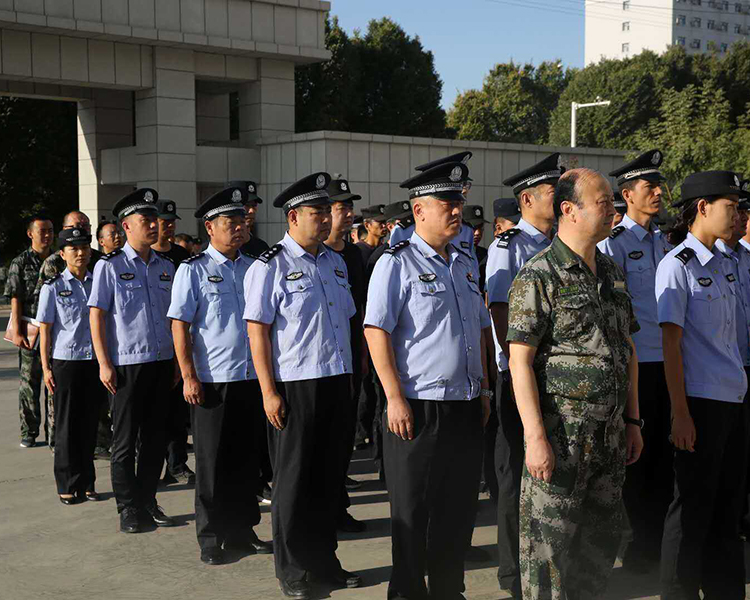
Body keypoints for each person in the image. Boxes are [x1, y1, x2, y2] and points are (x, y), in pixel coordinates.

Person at [507, 168, 642, 600]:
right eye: (603, 202)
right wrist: (534, 437)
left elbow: (626, 349)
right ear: (569, 210)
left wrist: (634, 420)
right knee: (548, 558)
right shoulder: (539, 275)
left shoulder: (611, 271)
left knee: (598, 550)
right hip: (562, 436)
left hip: (610, 436)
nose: (613, 209)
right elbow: (520, 362)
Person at [365, 160, 492, 600]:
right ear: (419, 210)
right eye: (446, 203)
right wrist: (393, 397)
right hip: (417, 407)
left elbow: (478, 329)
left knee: (457, 511)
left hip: (465, 401)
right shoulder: (395, 263)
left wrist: (486, 388)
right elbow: (375, 330)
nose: (457, 211)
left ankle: (447, 590)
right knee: (412, 513)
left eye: (459, 201)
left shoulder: (465, 263)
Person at [244, 172, 360, 599]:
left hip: (335, 380)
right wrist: (268, 391)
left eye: (328, 211)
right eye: (317, 213)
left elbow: (345, 321)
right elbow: (257, 332)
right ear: (293, 217)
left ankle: (324, 562)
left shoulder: (334, 261)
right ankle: (293, 570)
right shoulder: (271, 265)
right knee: (293, 483)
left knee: (329, 479)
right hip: (295, 385)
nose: (327, 219)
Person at [169, 186, 273, 565]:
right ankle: (211, 535)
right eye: (231, 222)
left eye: (242, 221)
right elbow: (180, 325)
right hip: (213, 380)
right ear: (210, 228)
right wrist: (188, 376)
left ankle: (243, 530)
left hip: (251, 377)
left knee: (246, 460)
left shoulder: (255, 267)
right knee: (212, 463)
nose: (240, 228)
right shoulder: (193, 270)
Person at [656, 171, 748, 599]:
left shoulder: (729, 264)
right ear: (703, 207)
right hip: (699, 404)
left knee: (728, 508)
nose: (738, 216)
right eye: (730, 207)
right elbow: (671, 349)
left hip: (733, 399)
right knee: (692, 508)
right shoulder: (677, 266)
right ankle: (677, 591)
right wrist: (680, 414)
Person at [485, 152, 562, 599]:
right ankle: (513, 575)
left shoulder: (558, 243)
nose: (560, 197)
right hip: (519, 376)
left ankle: (547, 562)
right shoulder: (508, 245)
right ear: (528, 198)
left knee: (549, 474)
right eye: (553, 191)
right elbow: (499, 311)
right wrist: (520, 366)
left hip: (553, 376)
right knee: (515, 474)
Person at [597, 149, 674, 571]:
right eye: (650, 187)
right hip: (637, 365)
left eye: (659, 186)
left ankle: (658, 540)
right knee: (637, 459)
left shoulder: (664, 242)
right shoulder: (615, 244)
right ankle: (640, 545)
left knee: (665, 456)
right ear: (628, 194)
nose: (659, 193)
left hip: (669, 364)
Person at [88, 188, 177, 534]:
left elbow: (173, 319)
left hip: (160, 362)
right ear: (127, 226)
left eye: (155, 220)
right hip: (126, 365)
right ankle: (127, 507)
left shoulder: (166, 267)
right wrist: (104, 363)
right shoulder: (109, 268)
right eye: (146, 221)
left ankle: (147, 499)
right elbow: (97, 316)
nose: (154, 226)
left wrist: (174, 363)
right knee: (124, 441)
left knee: (156, 439)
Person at [37, 228, 101, 505]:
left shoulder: (97, 282)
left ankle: (87, 482)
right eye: (73, 248)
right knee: (66, 426)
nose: (80, 253)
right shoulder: (53, 287)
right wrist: (46, 367)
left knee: (90, 425)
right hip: (66, 363)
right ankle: (67, 482)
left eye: (84, 247)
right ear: (62, 254)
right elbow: (45, 331)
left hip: (93, 361)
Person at [323, 177, 368, 532]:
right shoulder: (317, 257)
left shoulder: (353, 255)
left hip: (350, 356)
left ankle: (338, 507)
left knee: (341, 441)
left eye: (350, 208)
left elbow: (362, 309)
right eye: (342, 208)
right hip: (315, 364)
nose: (348, 214)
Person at [151, 199, 195, 486]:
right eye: (163, 221)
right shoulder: (144, 259)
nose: (168, 226)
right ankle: (153, 467)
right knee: (155, 415)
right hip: (153, 346)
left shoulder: (182, 257)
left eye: (171, 222)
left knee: (179, 413)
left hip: (180, 343)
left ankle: (177, 463)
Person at [5, 214, 54, 448]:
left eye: (50, 231)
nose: (47, 235)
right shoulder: (21, 262)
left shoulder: (59, 259)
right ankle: (29, 431)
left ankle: (54, 431)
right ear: (30, 233)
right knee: (29, 382)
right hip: (31, 327)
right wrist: (17, 330)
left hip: (55, 329)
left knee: (53, 381)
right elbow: (15, 296)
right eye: (42, 230)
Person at [231, 180, 271, 259]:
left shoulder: (261, 247)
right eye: (247, 205)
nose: (251, 211)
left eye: (254, 205)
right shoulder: (220, 249)